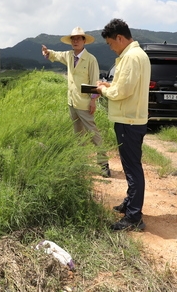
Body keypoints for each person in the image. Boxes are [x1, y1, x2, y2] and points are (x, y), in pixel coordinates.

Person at [95, 18, 151, 230]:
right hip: (132, 117)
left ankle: (134, 217)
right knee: (131, 164)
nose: (111, 48)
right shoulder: (139, 55)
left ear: (119, 38)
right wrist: (110, 84)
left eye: (110, 43)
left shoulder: (130, 57)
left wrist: (103, 90)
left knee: (132, 167)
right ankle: (130, 202)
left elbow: (122, 91)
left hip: (128, 119)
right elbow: (127, 85)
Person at [41, 27, 110, 177]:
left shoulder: (91, 59)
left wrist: (93, 101)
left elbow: (95, 82)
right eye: (73, 38)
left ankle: (104, 164)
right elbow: (57, 55)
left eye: (79, 38)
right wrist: (48, 53)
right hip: (72, 101)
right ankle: (79, 161)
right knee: (78, 134)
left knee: (93, 133)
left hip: (84, 103)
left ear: (84, 41)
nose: (75, 41)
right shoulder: (69, 55)